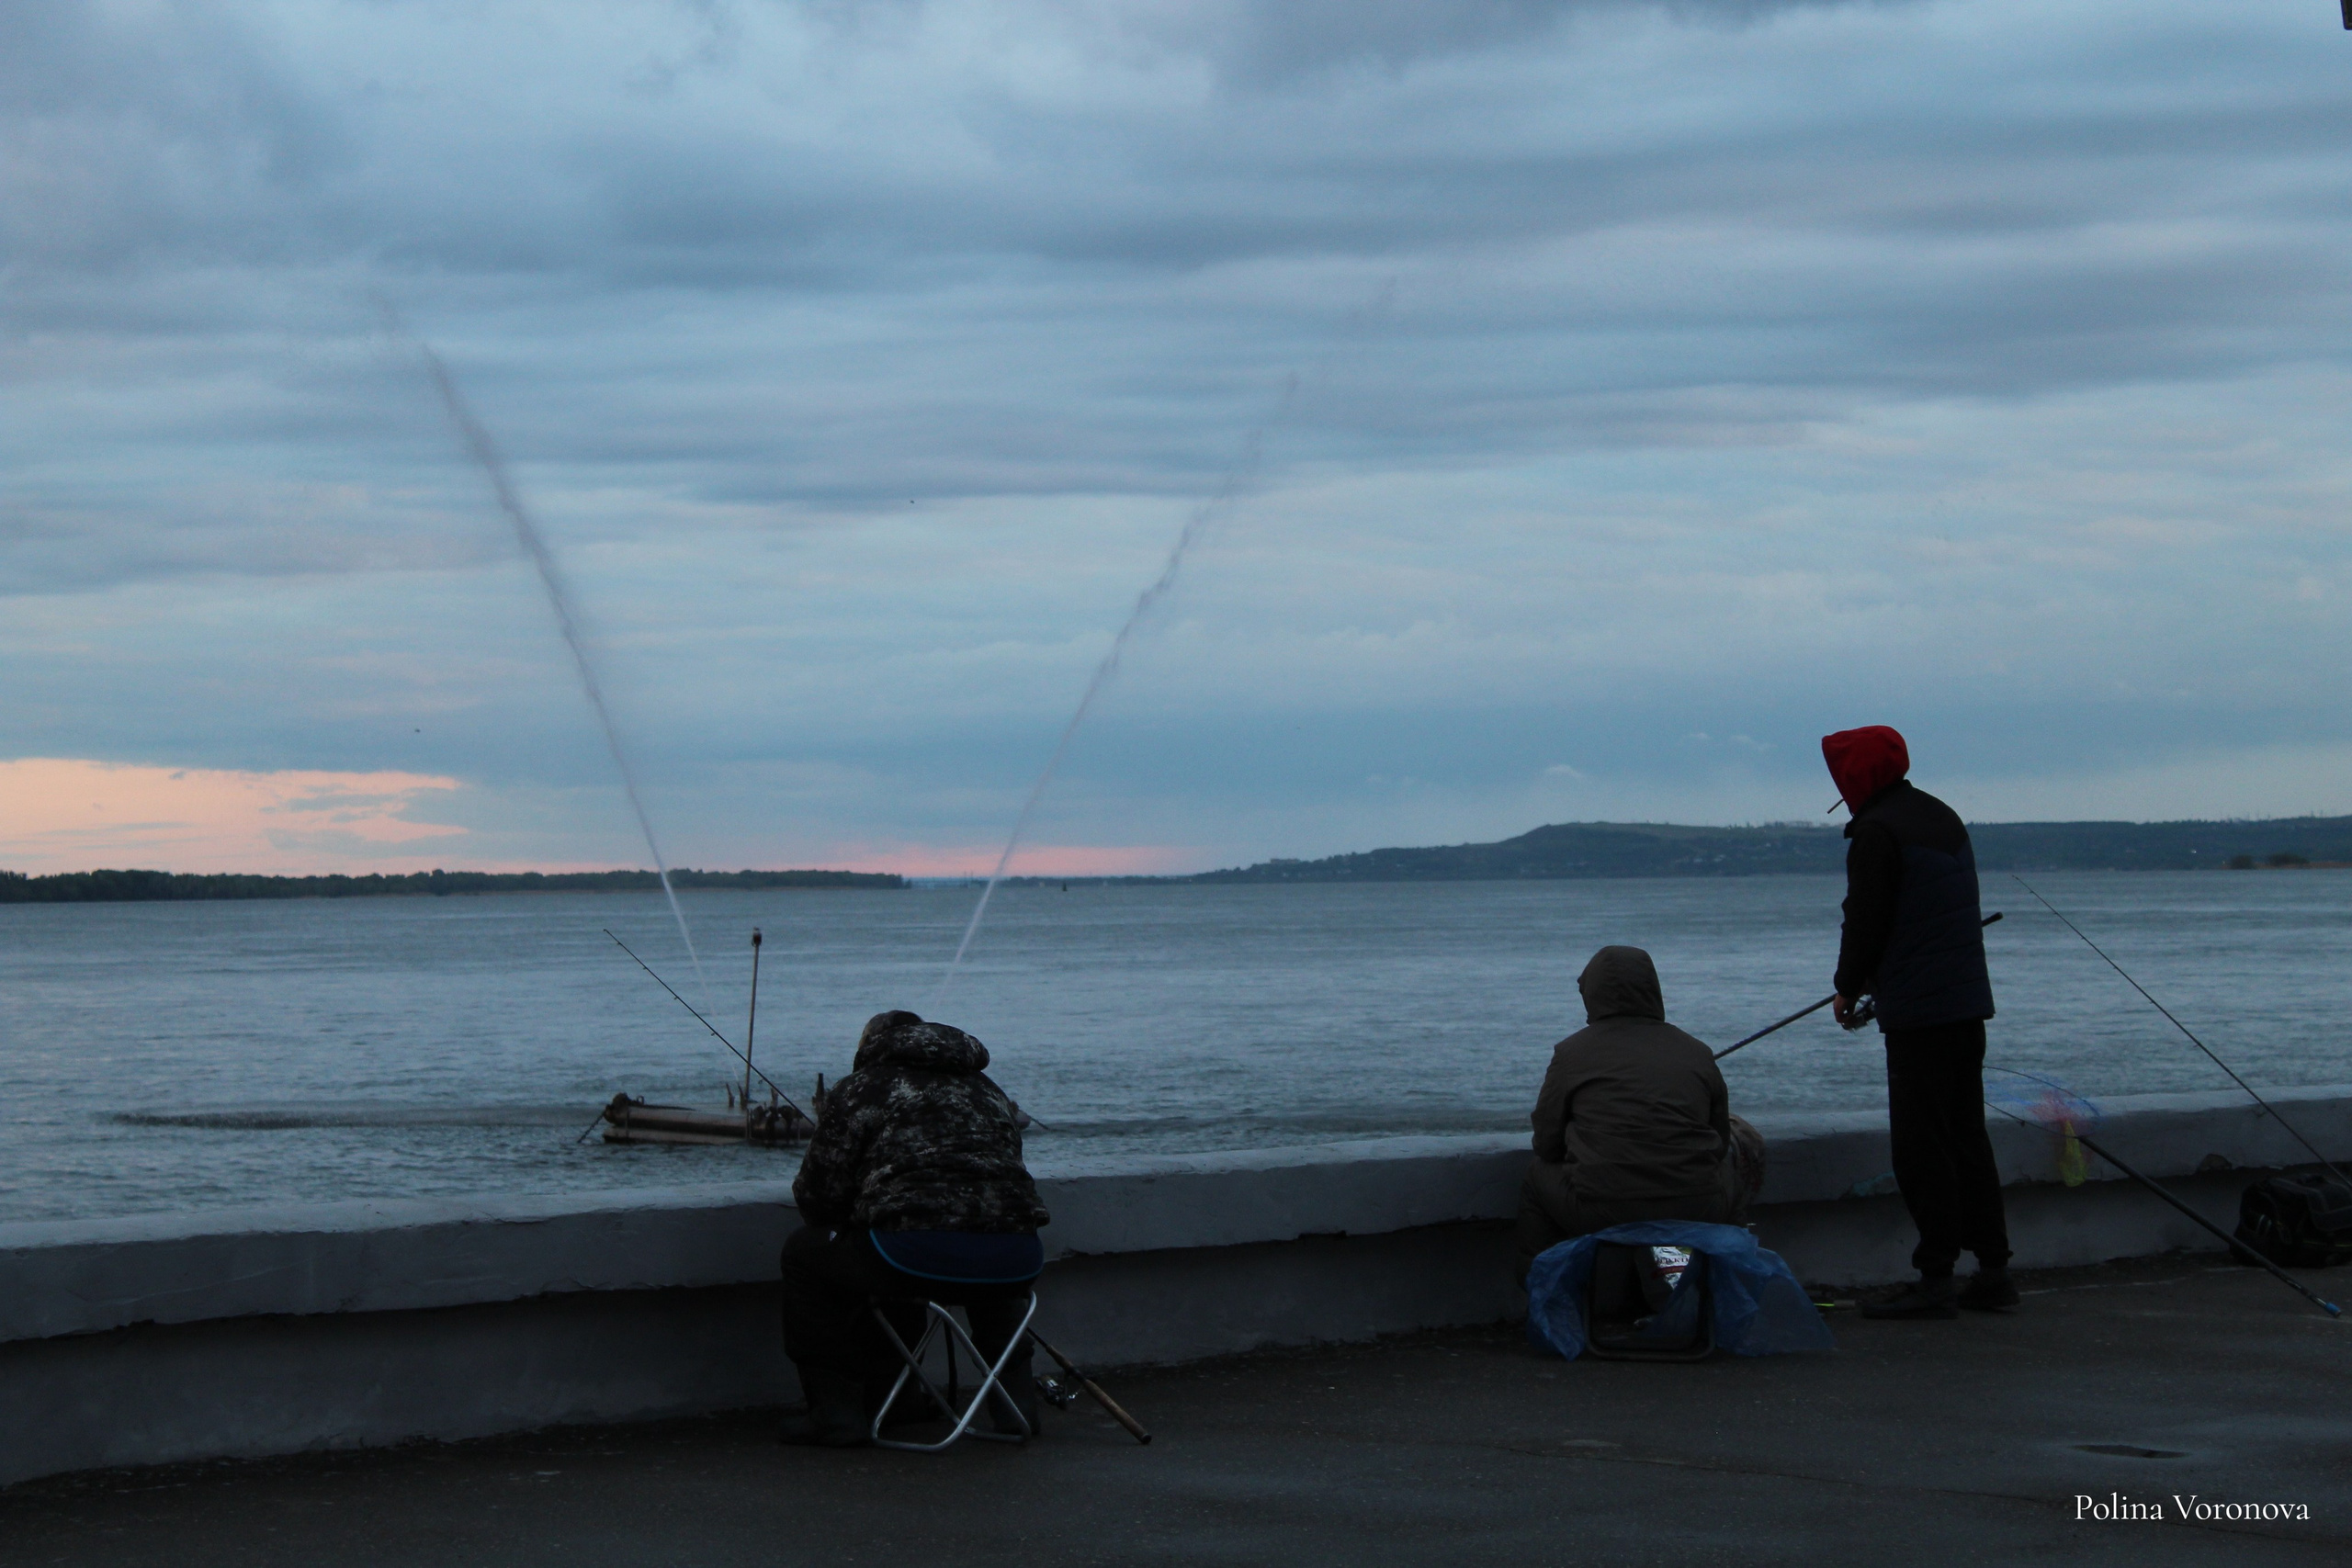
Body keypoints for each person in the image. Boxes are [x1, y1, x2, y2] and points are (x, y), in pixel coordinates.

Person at [778, 1010, 1051, 1447]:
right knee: (979, 1252)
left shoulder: (863, 1088)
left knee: (808, 1253)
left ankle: (835, 1414)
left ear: (872, 1046)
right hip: (1018, 1259)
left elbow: (817, 1197)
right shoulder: (989, 1091)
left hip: (913, 1257)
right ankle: (1015, 1408)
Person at [1822, 725, 2015, 1319]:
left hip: (1921, 1015)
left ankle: (1935, 1279)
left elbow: (1867, 919)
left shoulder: (1878, 833)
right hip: (1965, 1005)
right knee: (1966, 1136)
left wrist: (1846, 987)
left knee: (1920, 1146)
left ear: (1856, 777)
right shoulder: (1943, 816)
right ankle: (1994, 1271)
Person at [1516, 944, 1767, 1281]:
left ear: (1591, 993)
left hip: (1604, 1213)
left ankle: (1542, 1290)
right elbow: (1719, 1142)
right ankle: (1731, 1286)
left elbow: (1546, 1145)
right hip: (1697, 1208)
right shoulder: (1697, 1052)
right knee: (1730, 1168)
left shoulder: (1570, 1054)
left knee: (1537, 1175)